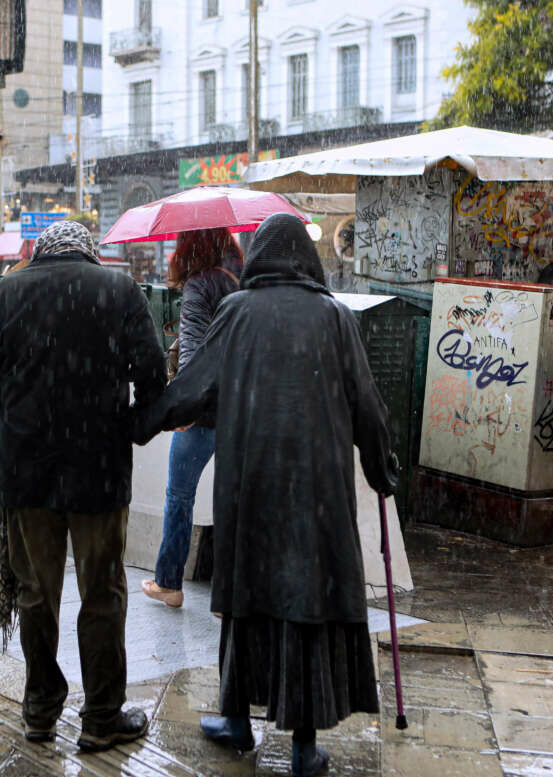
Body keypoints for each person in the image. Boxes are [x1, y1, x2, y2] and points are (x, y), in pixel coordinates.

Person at [134, 213, 397, 777]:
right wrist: (383, 470)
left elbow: (194, 385)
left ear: (259, 259)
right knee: (305, 603)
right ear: (307, 258)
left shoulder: (237, 312)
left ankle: (237, 720)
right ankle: (303, 747)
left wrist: (142, 420)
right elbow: (369, 408)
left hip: (251, 485)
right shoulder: (335, 317)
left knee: (247, 600)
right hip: (316, 491)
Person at [0, 220, 166, 751]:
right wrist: (131, 427)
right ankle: (101, 717)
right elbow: (152, 373)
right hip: (97, 469)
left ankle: (40, 710)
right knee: (102, 592)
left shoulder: (8, 291)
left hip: (26, 472)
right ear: (88, 252)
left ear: (42, 252)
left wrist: (10, 429)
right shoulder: (118, 290)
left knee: (37, 593)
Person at [141, 228, 241, 609]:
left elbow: (193, 354)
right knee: (237, 498)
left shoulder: (200, 285)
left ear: (188, 248)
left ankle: (169, 583)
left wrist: (185, 407)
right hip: (239, 407)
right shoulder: (242, 281)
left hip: (204, 413)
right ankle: (234, 591)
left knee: (179, 495)